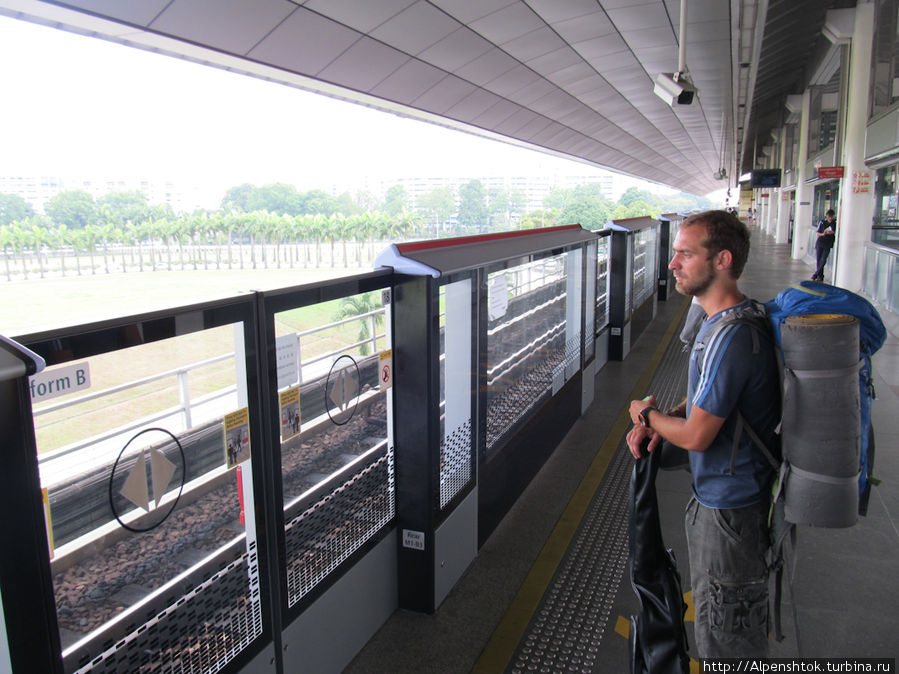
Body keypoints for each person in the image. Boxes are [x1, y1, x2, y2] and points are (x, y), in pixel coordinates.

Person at [627, 210, 781, 659]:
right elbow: (711, 407)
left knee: (726, 641)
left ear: (722, 260)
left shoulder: (730, 335)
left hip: (730, 515)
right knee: (722, 627)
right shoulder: (728, 322)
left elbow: (696, 435)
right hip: (726, 503)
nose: (672, 264)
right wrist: (667, 417)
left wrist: (646, 416)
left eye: (684, 254)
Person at [812, 208, 836, 281]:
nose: (830, 218)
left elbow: (835, 232)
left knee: (823, 259)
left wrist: (832, 232)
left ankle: (816, 273)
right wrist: (823, 234)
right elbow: (818, 233)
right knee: (819, 259)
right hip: (820, 242)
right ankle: (820, 275)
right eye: (829, 217)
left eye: (831, 217)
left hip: (828, 244)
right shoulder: (822, 222)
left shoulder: (835, 223)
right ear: (827, 216)